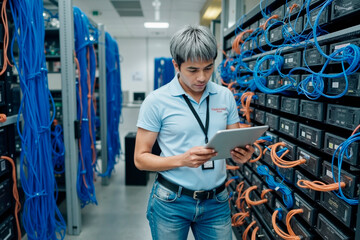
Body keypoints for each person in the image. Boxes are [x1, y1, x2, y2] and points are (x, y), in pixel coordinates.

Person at [134, 25, 255, 240]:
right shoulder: (156, 101)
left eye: (208, 68)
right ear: (176, 65)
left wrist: (243, 155)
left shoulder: (224, 96)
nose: (202, 77)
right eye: (193, 70)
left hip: (216, 201)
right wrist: (182, 160)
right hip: (171, 201)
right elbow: (141, 159)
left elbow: (234, 143)